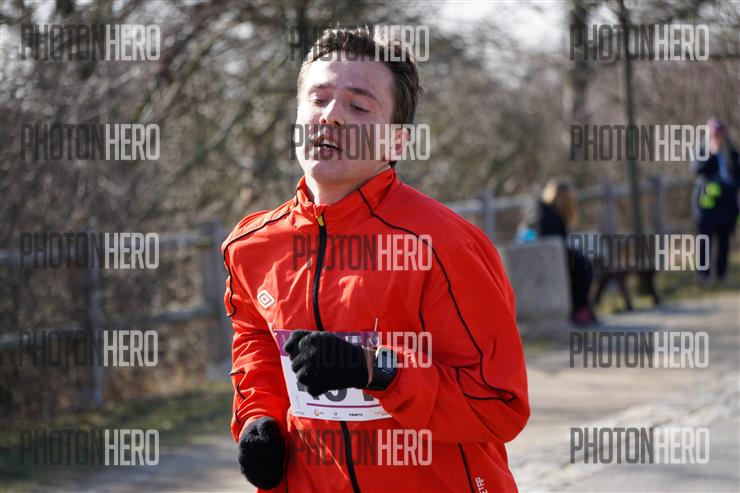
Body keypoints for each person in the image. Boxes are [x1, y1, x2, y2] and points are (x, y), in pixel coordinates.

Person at [222, 27, 529, 493]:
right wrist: (258, 419)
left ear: (398, 143)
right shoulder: (252, 245)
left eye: (359, 107)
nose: (331, 116)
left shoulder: (445, 246)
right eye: (318, 99)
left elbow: (499, 406)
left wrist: (377, 369)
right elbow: (258, 344)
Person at [521, 180, 596, 324]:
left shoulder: (547, 211)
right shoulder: (545, 214)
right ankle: (578, 309)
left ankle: (580, 307)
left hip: (548, 255)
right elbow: (549, 241)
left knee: (581, 265)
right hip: (544, 257)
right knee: (582, 267)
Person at [692, 117, 740, 286]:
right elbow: (697, 169)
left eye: (719, 134)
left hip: (727, 205)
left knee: (724, 242)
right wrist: (711, 153)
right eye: (714, 134)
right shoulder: (701, 151)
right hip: (707, 205)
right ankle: (704, 276)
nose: (717, 138)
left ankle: (722, 275)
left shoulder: (731, 153)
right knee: (705, 241)